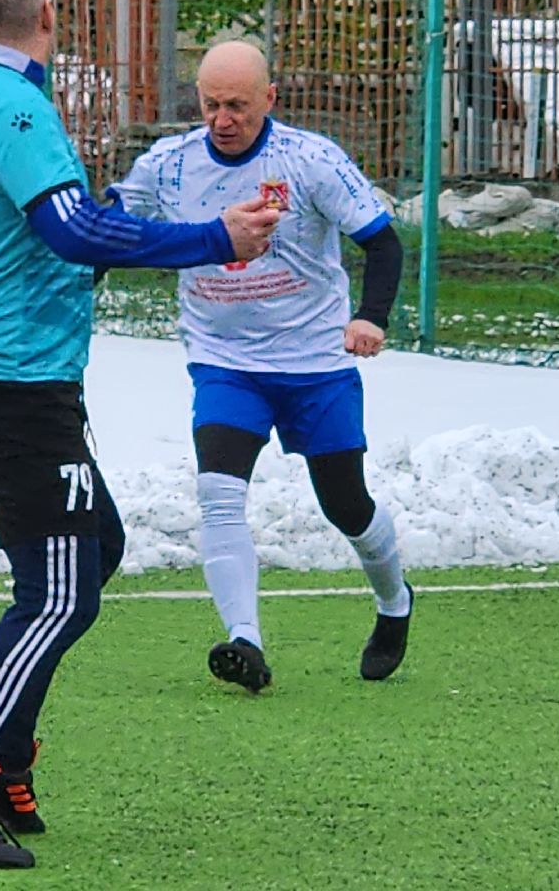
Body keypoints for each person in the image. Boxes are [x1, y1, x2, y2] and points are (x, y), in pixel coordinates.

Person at [0, 0, 278, 869]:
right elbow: (70, 230)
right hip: (13, 385)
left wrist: (6, 274)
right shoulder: (15, 105)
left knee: (95, 550)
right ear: (49, 16)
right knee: (59, 593)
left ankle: (5, 765)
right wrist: (215, 239)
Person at [109, 39, 412, 695]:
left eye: (238, 106)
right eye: (211, 105)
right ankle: (244, 640)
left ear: (269, 99)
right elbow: (107, 228)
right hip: (225, 363)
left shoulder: (310, 159)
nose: (223, 119)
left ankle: (394, 603)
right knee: (218, 492)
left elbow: (383, 245)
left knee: (346, 504)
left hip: (314, 364)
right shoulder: (168, 165)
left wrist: (371, 318)